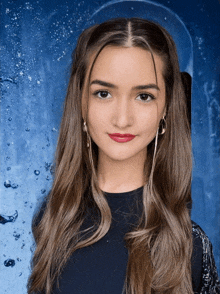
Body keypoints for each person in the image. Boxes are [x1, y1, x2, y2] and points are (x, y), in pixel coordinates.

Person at [27, 18, 220, 294]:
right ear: (81, 102)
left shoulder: (190, 246)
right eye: (103, 93)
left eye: (144, 96)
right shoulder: (51, 221)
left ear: (166, 108)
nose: (122, 119)